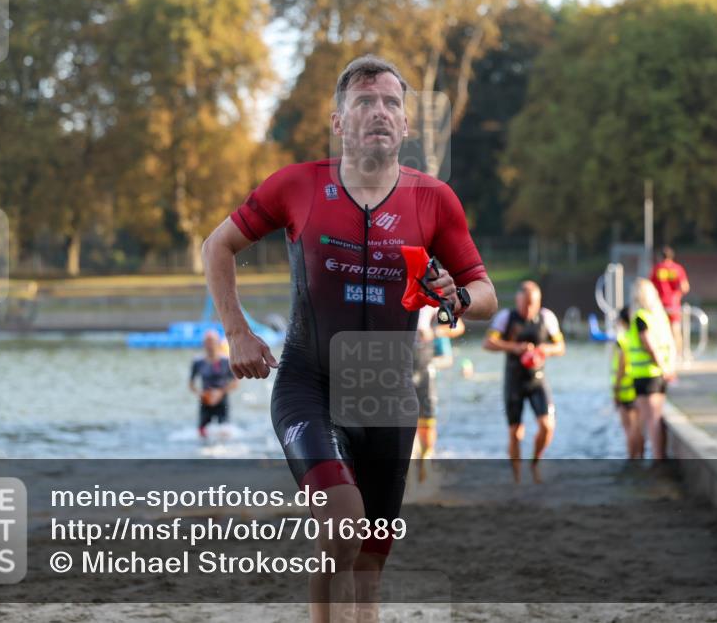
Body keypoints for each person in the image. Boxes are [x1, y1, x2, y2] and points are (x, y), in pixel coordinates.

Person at [201, 54, 497, 623]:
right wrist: (237, 331)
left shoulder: (433, 199)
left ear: (405, 125)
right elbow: (218, 245)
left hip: (387, 396)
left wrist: (457, 297)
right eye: (364, 101)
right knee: (342, 524)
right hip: (308, 385)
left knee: (368, 568)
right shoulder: (298, 185)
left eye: (391, 103)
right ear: (339, 122)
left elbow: (484, 294)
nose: (379, 111)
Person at [483, 280, 565, 481]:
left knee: (547, 426)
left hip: (537, 380)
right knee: (516, 433)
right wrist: (514, 347)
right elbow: (488, 342)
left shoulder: (547, 317)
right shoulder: (506, 317)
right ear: (517, 300)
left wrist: (546, 350)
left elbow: (561, 347)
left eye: (532, 304)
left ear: (539, 302)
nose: (528, 309)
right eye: (525, 304)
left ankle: (535, 462)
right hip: (514, 381)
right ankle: (517, 478)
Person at [411, 305, 465, 481]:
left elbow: (458, 326)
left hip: (425, 371)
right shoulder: (395, 298)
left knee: (427, 426)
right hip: (400, 370)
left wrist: (434, 332)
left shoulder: (432, 306)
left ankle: (425, 460)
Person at [627, 278, 676, 461]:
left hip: (645, 375)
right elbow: (670, 343)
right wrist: (668, 367)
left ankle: (648, 458)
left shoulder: (640, 317)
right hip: (659, 373)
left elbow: (650, 346)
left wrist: (663, 368)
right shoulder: (660, 316)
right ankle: (655, 457)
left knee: (647, 421)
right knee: (654, 419)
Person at [189, 330, 238, 439]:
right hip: (205, 399)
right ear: (204, 344)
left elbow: (235, 382)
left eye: (212, 342)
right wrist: (200, 393)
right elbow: (191, 384)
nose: (210, 345)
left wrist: (220, 393)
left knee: (225, 431)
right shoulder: (198, 362)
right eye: (207, 342)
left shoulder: (226, 361)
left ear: (218, 343)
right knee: (202, 432)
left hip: (221, 398)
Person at [650, 245, 690, 361]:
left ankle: (663, 355)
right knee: (675, 330)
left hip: (660, 304)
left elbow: (650, 286)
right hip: (674, 304)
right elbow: (685, 287)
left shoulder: (657, 269)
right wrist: (676, 295)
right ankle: (679, 356)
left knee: (659, 330)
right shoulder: (678, 269)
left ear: (660, 257)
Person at [611, 308, 640, 459]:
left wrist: (616, 388)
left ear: (622, 321)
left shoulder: (622, 339)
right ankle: (640, 455)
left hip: (624, 388)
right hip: (637, 385)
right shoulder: (636, 337)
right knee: (637, 427)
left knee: (629, 428)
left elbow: (622, 365)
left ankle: (631, 459)